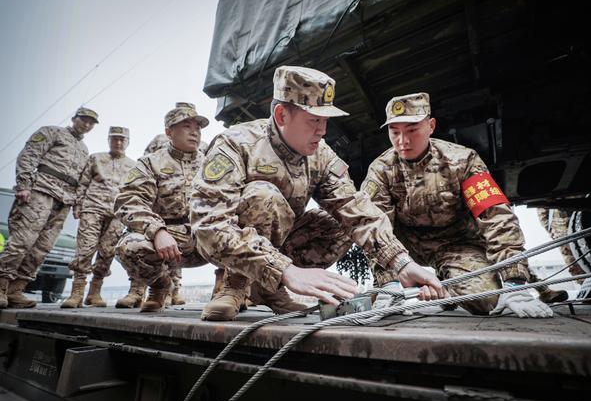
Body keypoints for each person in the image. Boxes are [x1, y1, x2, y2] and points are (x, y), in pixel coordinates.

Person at [190, 66, 446, 322]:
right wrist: (286, 270)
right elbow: (209, 224)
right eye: (314, 120)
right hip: (229, 245)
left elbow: (354, 209)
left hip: (281, 246)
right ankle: (234, 285)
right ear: (281, 115)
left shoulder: (321, 154)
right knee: (263, 196)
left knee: (342, 221)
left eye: (325, 121)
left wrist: (401, 262)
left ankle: (268, 290)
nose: (323, 130)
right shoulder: (237, 143)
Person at [361, 92, 553, 318]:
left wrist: (514, 281)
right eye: (395, 132)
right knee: (366, 223)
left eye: (412, 130)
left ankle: (446, 289)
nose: (403, 141)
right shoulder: (381, 169)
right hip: (403, 251)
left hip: (455, 244)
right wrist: (388, 283)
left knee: (488, 301)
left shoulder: (463, 160)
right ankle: (399, 289)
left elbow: (496, 215)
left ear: (431, 125)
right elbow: (371, 225)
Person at [114, 104, 210, 312]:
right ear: (168, 132)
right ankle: (160, 286)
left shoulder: (212, 162)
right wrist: (157, 230)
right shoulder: (150, 163)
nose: (195, 132)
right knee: (129, 246)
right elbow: (128, 200)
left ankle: (230, 290)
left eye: (198, 128)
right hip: (171, 240)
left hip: (210, 236)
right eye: (187, 126)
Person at [0, 107, 98, 308]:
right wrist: (24, 186)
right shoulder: (52, 132)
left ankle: (16, 290)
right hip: (40, 192)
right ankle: (1, 286)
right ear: (74, 119)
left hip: (63, 201)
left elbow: (81, 180)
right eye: (83, 120)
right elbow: (29, 156)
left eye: (90, 123)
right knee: (22, 241)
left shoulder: (84, 150)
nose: (86, 124)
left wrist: (76, 203)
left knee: (42, 248)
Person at [61, 126, 135, 308]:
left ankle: (94, 293)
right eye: (114, 139)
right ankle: (76, 293)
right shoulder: (96, 158)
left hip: (117, 214)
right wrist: (78, 205)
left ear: (128, 142)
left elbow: (132, 191)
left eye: (122, 139)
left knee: (108, 252)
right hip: (92, 209)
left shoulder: (132, 165)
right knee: (85, 249)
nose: (118, 142)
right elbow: (83, 183)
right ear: (109, 140)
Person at [537, 208, 585, 281]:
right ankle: (583, 283)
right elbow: (542, 211)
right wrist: (550, 229)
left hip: (580, 221)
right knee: (572, 260)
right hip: (561, 228)